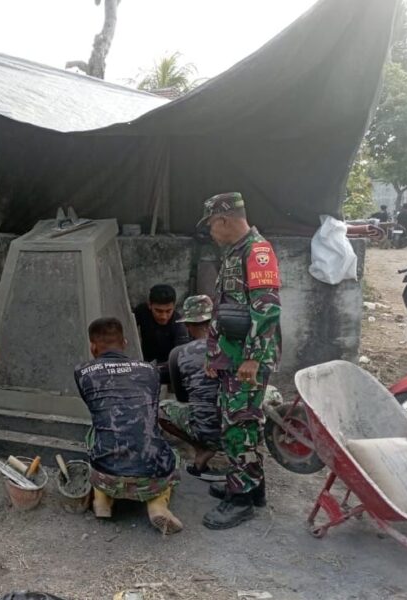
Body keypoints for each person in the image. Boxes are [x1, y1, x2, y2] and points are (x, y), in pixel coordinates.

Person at [197, 192, 281, 530]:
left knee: (240, 425)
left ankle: (241, 498)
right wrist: (215, 357)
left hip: (246, 361)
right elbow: (228, 310)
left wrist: (252, 359)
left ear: (225, 220)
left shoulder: (257, 252)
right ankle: (251, 485)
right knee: (240, 421)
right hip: (232, 359)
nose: (211, 233)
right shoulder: (236, 251)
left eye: (211, 226)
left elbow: (267, 308)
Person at [74, 317, 183, 535]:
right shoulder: (149, 370)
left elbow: (97, 408)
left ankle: (102, 500)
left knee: (97, 429)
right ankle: (157, 504)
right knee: (169, 448)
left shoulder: (82, 372)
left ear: (93, 347)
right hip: (152, 475)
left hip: (106, 474)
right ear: (125, 343)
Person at [159, 295, 226, 482]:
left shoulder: (178, 353)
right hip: (238, 428)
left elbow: (182, 398)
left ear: (188, 325)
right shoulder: (234, 347)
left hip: (206, 431)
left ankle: (201, 448)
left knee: (161, 410)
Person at [132, 284, 190, 384]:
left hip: (168, 370)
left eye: (168, 311)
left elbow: (180, 359)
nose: (164, 316)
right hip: (144, 363)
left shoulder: (179, 325)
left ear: (174, 306)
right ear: (150, 305)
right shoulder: (141, 312)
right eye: (159, 311)